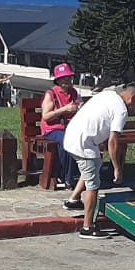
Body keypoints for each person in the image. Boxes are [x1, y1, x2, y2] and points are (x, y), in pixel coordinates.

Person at [64, 83, 135, 239]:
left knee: (91, 167)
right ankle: (87, 228)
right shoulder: (122, 111)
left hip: (72, 136)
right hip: (83, 144)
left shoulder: (107, 94)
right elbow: (113, 141)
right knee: (93, 185)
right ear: (132, 98)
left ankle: (73, 200)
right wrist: (117, 168)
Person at [39, 62, 83, 193]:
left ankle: (78, 174)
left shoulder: (74, 92)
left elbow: (79, 105)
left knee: (82, 140)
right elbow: (46, 116)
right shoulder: (51, 94)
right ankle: (69, 178)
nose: (67, 80)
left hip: (70, 127)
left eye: (69, 77)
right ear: (57, 80)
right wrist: (64, 109)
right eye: (64, 78)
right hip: (53, 129)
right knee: (67, 141)